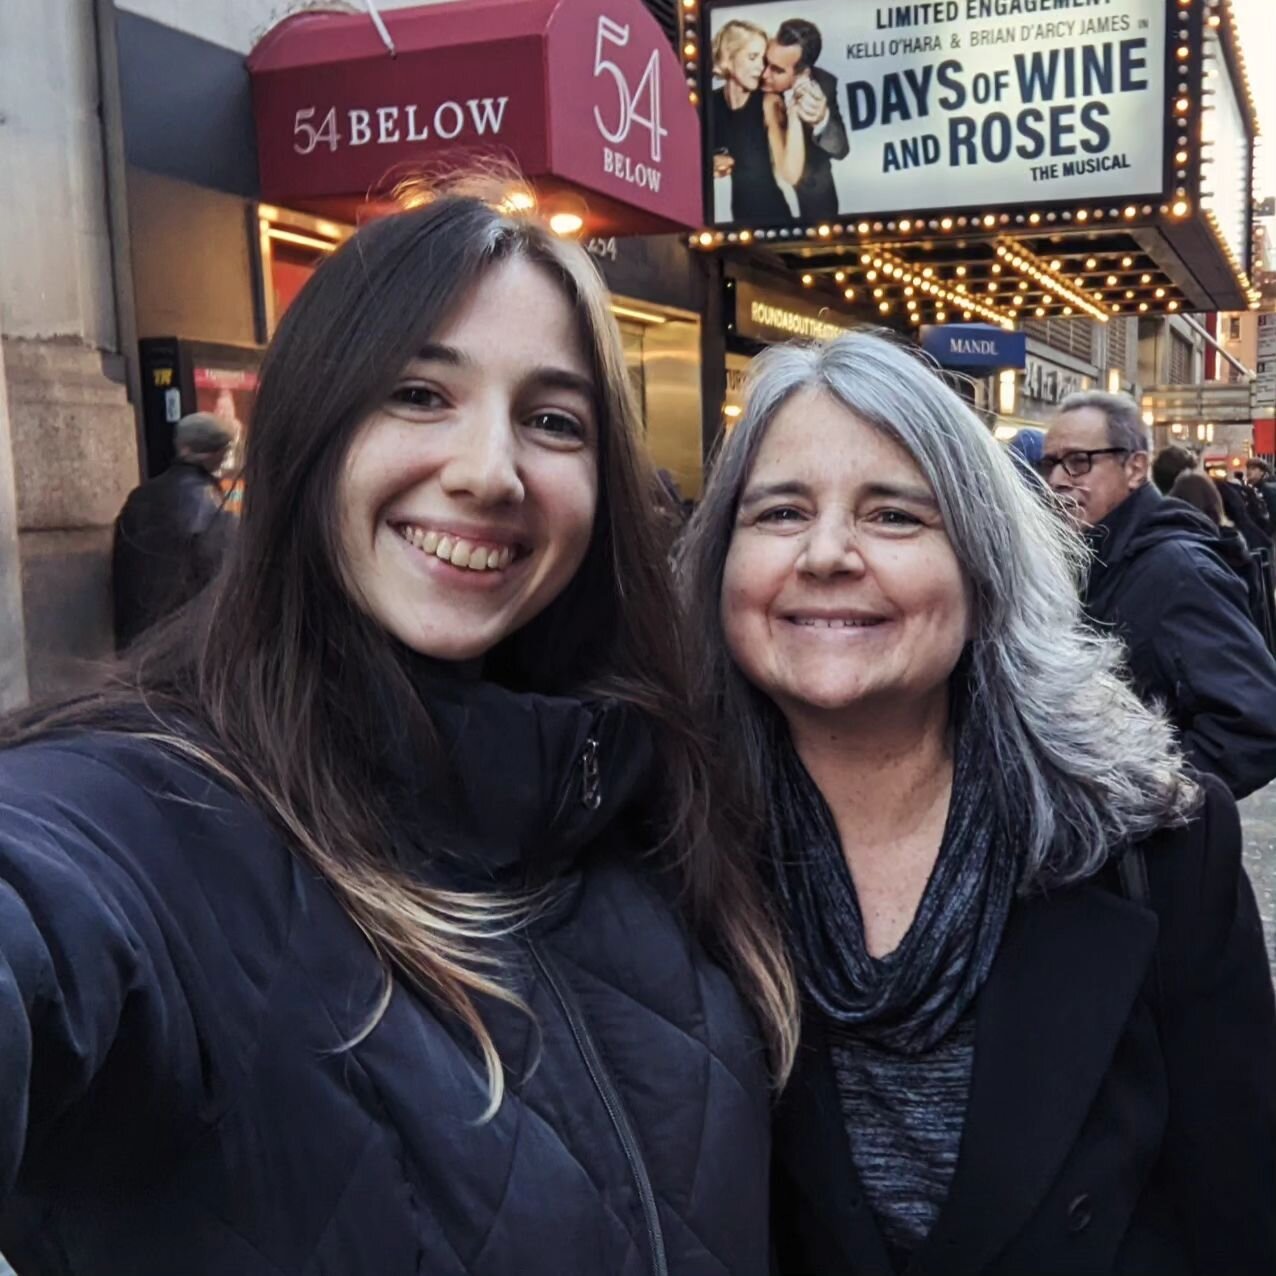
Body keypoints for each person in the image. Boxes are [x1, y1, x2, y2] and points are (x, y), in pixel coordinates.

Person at [0, 195, 797, 1274]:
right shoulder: (149, 811)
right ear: (311, 428)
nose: (488, 470)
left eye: (553, 420)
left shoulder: (647, 792)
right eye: (419, 395)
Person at [676, 332, 1276, 1275]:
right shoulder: (658, 848)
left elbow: (1240, 1204)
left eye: (896, 516)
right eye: (782, 511)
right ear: (720, 564)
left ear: (982, 563)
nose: (827, 553)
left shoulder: (1158, 844)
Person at [1042, 389, 1276, 799]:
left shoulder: (1178, 568)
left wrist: (1130, 792)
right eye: (1051, 463)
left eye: (1079, 462)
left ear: (1135, 468)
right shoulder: (1097, 553)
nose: (1058, 479)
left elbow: (1255, 729)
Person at [111, 410, 236, 649]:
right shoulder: (208, 505)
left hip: (137, 637)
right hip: (183, 641)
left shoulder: (141, 496)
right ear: (217, 454)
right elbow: (220, 575)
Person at [710, 19, 802, 225]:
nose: (760, 68)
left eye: (763, 60)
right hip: (729, 225)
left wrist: (794, 113)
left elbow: (791, 174)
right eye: (752, 57)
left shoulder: (768, 103)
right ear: (728, 57)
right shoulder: (710, 104)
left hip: (774, 222)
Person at [760, 18, 848, 222]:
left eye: (777, 70)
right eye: (766, 62)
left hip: (814, 201)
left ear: (803, 73)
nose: (764, 74)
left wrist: (822, 120)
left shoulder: (824, 84)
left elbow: (841, 148)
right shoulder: (751, 75)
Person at [1246, 456, 1276, 526]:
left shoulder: (1267, 489)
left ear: (1262, 472)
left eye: (1253, 468)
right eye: (1248, 468)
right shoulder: (1252, 489)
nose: (1249, 471)